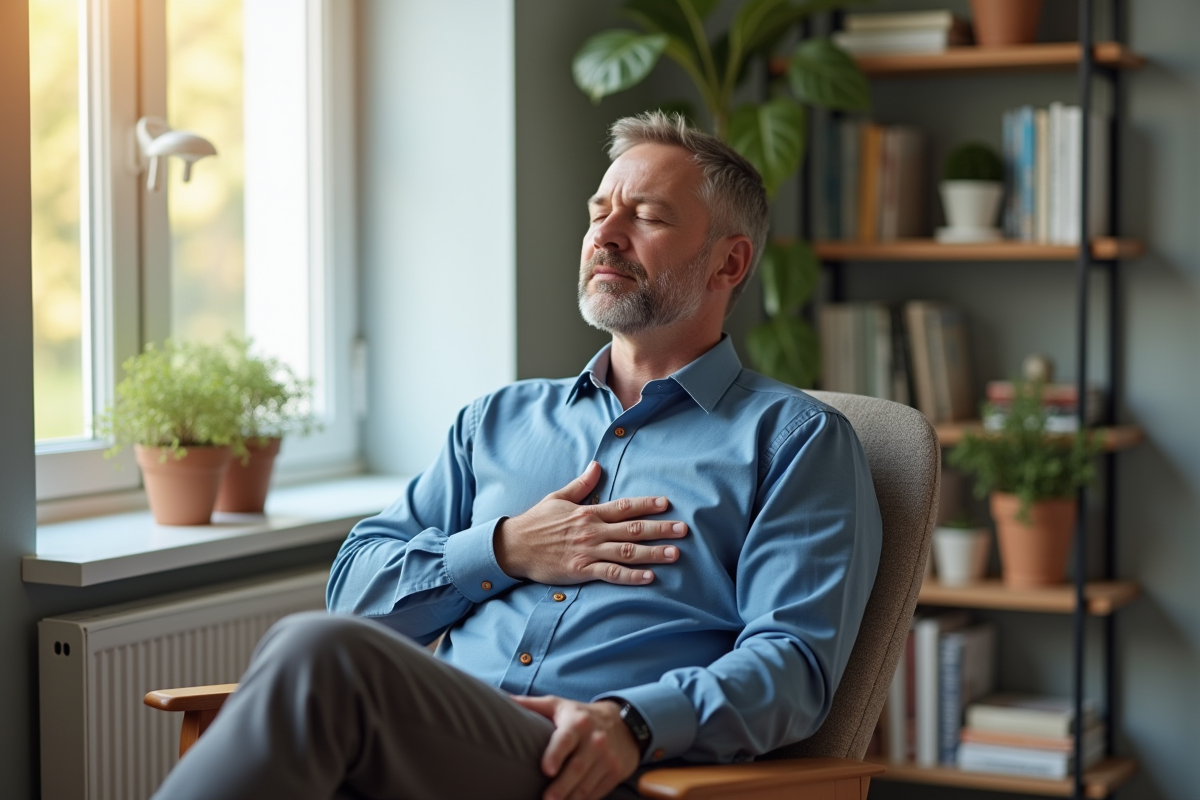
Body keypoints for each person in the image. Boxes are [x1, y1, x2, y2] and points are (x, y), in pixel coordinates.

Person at [151, 111, 882, 800]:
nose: (607, 235)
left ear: (730, 263)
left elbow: (792, 667)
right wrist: (501, 550)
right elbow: (356, 590)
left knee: (317, 655)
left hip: (596, 769)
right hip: (431, 746)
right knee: (317, 652)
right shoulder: (495, 421)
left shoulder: (794, 442)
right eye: (600, 212)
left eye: (649, 217)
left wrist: (633, 721)